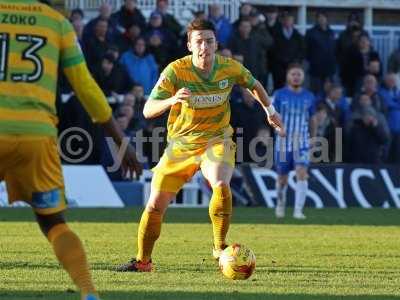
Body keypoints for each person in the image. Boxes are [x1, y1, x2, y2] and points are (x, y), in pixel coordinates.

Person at [116, 19, 284, 272]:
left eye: (209, 40)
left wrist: (269, 110)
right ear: (189, 45)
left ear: (216, 44)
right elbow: (148, 109)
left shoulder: (229, 68)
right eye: (199, 41)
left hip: (217, 139)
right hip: (181, 145)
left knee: (220, 184)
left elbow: (254, 84)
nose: (204, 46)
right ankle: (143, 262)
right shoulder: (176, 71)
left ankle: (219, 247)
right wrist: (172, 99)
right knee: (154, 206)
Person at [0, 1, 142, 299]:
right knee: (53, 223)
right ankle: (89, 292)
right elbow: (85, 87)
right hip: (36, 137)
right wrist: (119, 139)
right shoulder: (56, 23)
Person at [273, 64, 316, 219]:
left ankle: (298, 210)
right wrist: (278, 129)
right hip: (283, 143)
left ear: (303, 77)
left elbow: (312, 119)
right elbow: (272, 117)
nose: (296, 77)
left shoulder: (309, 96)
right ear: (287, 76)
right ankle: (280, 205)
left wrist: (313, 137)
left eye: (299, 74)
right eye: (293, 74)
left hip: (302, 142)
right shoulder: (279, 95)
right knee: (282, 178)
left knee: (302, 173)